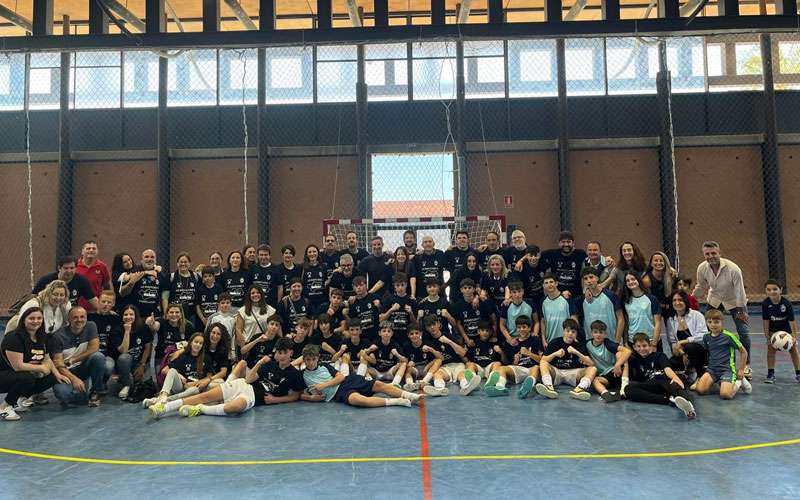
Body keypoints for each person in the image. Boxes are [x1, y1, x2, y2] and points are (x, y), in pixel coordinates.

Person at [148, 337, 303, 418]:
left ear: (291, 353)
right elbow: (249, 379)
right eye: (279, 353)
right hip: (244, 385)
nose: (281, 356)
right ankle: (164, 407)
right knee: (205, 395)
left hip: (253, 397)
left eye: (284, 353)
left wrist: (276, 400)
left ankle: (202, 410)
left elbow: (296, 396)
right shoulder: (270, 364)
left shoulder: (294, 373)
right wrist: (260, 363)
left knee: (234, 408)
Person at [692, 241, 752, 379]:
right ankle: (709, 363)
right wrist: (691, 297)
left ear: (719, 253)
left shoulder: (733, 269)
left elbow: (740, 292)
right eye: (707, 254)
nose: (711, 256)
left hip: (734, 301)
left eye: (714, 253)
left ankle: (746, 365)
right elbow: (701, 286)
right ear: (704, 255)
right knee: (707, 332)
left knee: (744, 332)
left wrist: (741, 312)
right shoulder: (702, 268)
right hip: (715, 299)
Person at [300, 344, 422, 408]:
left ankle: (410, 395)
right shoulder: (302, 375)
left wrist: (322, 385)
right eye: (308, 360)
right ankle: (397, 401)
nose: (310, 362)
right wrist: (311, 398)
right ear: (304, 360)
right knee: (357, 400)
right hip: (338, 394)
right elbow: (298, 394)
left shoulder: (325, 366)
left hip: (347, 381)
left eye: (313, 359)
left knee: (379, 384)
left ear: (317, 358)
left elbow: (341, 377)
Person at [0, 308, 63, 421]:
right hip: (4, 376)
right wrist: (41, 368)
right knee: (27, 377)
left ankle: (18, 400)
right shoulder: (14, 337)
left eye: (39, 318)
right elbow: (18, 366)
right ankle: (4, 407)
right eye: (31, 318)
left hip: (19, 375)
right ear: (23, 320)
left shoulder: (42, 338)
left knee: (51, 377)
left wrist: (57, 375)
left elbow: (47, 358)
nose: (36, 321)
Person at [624, 332, 696, 419]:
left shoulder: (659, 355)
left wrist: (675, 378)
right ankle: (668, 400)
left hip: (665, 380)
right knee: (628, 389)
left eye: (644, 345)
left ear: (650, 345)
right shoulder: (636, 362)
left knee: (674, 384)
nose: (642, 349)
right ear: (634, 347)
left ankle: (688, 407)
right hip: (652, 385)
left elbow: (667, 369)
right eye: (638, 346)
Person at [49, 307, 107, 408]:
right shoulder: (57, 337)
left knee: (98, 357)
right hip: (66, 373)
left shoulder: (91, 326)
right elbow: (58, 364)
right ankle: (82, 396)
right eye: (75, 317)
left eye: (82, 317)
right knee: (62, 393)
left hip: (83, 367)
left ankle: (96, 392)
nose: (79, 320)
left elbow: (94, 348)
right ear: (68, 320)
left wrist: (73, 360)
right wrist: (74, 379)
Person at [142, 332, 212, 409]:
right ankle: (163, 395)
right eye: (196, 342)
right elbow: (164, 370)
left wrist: (200, 382)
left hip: (193, 388)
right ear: (191, 343)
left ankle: (158, 401)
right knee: (172, 370)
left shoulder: (206, 358)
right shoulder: (183, 356)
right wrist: (180, 376)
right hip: (181, 386)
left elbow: (209, 376)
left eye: (200, 343)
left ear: (202, 346)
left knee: (195, 391)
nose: (198, 344)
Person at [694, 309, 752, 399]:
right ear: (706, 323)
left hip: (726, 370)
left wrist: (741, 369)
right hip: (712, 370)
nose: (713, 325)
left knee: (725, 395)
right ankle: (718, 382)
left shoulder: (728, 336)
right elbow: (708, 352)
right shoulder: (706, 337)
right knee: (700, 390)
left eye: (716, 322)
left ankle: (739, 381)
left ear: (722, 322)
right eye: (710, 322)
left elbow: (743, 352)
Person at [534, 318, 597, 401]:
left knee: (593, 369)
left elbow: (591, 363)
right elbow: (543, 359)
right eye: (568, 331)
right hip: (557, 372)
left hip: (573, 373)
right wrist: (555, 354)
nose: (570, 334)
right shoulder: (555, 342)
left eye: (573, 332)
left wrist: (577, 353)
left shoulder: (578, 345)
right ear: (563, 331)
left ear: (576, 334)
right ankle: (549, 387)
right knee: (543, 362)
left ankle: (579, 389)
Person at [485, 315, 543, 398]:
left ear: (530, 328)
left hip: (532, 369)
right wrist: (515, 361)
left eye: (524, 327)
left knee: (536, 367)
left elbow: (542, 360)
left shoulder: (535, 340)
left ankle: (526, 388)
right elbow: (512, 364)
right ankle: (500, 387)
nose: (521, 329)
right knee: (501, 368)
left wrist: (529, 354)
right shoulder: (514, 343)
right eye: (519, 327)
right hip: (520, 369)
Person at [419, 314, 471, 397]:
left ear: (438, 324)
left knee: (461, 375)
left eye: (434, 324)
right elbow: (439, 359)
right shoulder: (428, 341)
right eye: (429, 326)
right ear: (426, 328)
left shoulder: (448, 335)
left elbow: (463, 353)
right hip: (444, 367)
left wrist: (449, 341)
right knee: (437, 375)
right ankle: (440, 389)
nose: (432, 327)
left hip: (457, 364)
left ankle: (466, 387)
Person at [663, 290, 708, 381]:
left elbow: (704, 336)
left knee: (690, 347)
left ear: (685, 302)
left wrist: (685, 341)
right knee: (668, 364)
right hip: (683, 352)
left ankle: (700, 375)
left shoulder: (697, 315)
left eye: (680, 300)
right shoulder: (670, 320)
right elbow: (672, 341)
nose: (677, 302)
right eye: (674, 300)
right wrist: (682, 353)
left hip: (700, 351)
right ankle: (687, 372)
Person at [761, 279, 800, 383]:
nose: (771, 292)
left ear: (780, 290)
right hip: (773, 331)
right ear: (765, 291)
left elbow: (792, 321)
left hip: (786, 331)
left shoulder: (786, 304)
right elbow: (766, 321)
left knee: (794, 350)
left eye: (775, 289)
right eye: (768, 289)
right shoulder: (765, 304)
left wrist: (794, 337)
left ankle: (798, 373)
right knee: (771, 350)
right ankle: (770, 374)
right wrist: (767, 337)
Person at [111, 305, 153, 399]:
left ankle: (128, 379)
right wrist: (127, 331)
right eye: (125, 314)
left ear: (136, 316)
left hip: (139, 362)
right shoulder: (117, 329)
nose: (128, 317)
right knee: (124, 357)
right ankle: (127, 385)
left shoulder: (143, 327)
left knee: (145, 382)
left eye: (131, 314)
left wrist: (142, 365)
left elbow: (147, 347)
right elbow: (124, 351)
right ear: (122, 316)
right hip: (123, 363)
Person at [585, 320, 631, 402]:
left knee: (620, 354)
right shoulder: (587, 344)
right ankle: (606, 394)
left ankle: (624, 389)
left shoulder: (607, 343)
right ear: (591, 333)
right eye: (595, 332)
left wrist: (617, 364)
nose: (598, 335)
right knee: (594, 380)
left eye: (601, 332)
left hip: (616, 372)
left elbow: (628, 351)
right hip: (605, 377)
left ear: (605, 334)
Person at [576, 268, 625, 345]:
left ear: (597, 278)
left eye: (591, 277)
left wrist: (617, 340)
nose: (589, 280)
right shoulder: (581, 299)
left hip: (612, 340)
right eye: (585, 279)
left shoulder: (611, 296)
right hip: (592, 344)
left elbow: (621, 319)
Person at [87, 290, 123, 393]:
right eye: (103, 301)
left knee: (108, 366)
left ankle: (101, 384)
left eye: (109, 302)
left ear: (113, 304)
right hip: (89, 354)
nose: (105, 305)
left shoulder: (116, 319)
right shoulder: (88, 317)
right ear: (98, 301)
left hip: (107, 355)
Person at [33, 255, 99, 310]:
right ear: (59, 268)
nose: (69, 271)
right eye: (66, 268)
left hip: (70, 314)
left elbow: (93, 299)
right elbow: (33, 298)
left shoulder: (82, 281)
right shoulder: (46, 280)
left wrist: (104, 310)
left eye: (72, 268)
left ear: (76, 268)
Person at [120, 249, 168, 318]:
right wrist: (131, 283)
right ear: (141, 260)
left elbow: (164, 296)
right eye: (146, 257)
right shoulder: (133, 272)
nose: (149, 259)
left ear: (155, 261)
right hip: (136, 316)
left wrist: (164, 313)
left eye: (152, 257)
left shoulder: (160, 275)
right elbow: (122, 293)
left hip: (154, 316)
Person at [450, 278, 496, 347]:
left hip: (483, 338)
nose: (467, 290)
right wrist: (466, 339)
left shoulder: (482, 302)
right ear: (461, 290)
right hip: (469, 338)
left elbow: (493, 318)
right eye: (465, 288)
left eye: (469, 288)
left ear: (474, 289)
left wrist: (494, 335)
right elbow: (458, 324)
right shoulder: (458, 305)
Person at [235, 285, 277, 361]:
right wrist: (243, 346)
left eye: (258, 292)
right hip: (249, 345)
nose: (255, 295)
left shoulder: (270, 310)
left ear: (261, 294)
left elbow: (276, 327)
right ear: (249, 295)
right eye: (252, 293)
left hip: (264, 345)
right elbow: (238, 329)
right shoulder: (242, 310)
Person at [540, 231, 588, 298]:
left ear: (573, 243)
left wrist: (607, 259)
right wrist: (521, 261)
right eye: (563, 242)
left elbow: (592, 258)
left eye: (568, 242)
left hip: (577, 294)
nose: (566, 244)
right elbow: (536, 255)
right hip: (558, 294)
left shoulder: (580, 254)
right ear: (559, 243)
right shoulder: (552, 254)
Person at [621, 272, 662, 348]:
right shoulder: (625, 301)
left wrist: (654, 344)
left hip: (651, 341)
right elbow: (626, 323)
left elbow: (658, 322)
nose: (630, 282)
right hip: (633, 342)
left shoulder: (652, 299)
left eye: (633, 279)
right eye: (628, 280)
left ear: (639, 280)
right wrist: (625, 342)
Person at [363, 321, 408, 387]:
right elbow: (362, 354)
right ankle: (370, 383)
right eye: (384, 331)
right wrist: (369, 349)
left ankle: (395, 383)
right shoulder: (375, 343)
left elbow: (405, 361)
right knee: (364, 367)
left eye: (389, 331)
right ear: (379, 333)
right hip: (377, 372)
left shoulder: (395, 344)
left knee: (403, 364)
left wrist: (397, 354)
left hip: (390, 372)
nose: (386, 333)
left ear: (392, 333)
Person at [539, 273, 578, 347]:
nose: (549, 284)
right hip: (550, 341)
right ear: (543, 286)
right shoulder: (542, 301)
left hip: (567, 340)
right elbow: (543, 321)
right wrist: (543, 340)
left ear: (556, 283)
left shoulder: (566, 298)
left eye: (551, 282)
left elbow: (574, 318)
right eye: (546, 283)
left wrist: (574, 337)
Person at [464, 320, 503, 392]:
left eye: (487, 330)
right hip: (478, 370)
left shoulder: (495, 343)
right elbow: (467, 358)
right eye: (482, 330)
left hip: (489, 369)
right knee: (469, 364)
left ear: (491, 332)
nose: (485, 332)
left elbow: (504, 361)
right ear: (478, 331)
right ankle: (472, 381)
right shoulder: (473, 343)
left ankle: (490, 381)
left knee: (498, 363)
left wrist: (501, 352)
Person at [402, 324, 443, 391]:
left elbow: (441, 358)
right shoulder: (406, 346)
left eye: (416, 333)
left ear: (421, 333)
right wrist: (408, 364)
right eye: (411, 334)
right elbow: (403, 362)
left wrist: (431, 350)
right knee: (407, 369)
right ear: (408, 335)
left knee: (438, 361)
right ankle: (410, 384)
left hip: (427, 370)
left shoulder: (427, 343)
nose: (414, 335)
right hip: (415, 370)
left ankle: (425, 381)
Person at [75, 240, 112, 311]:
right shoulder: (75, 266)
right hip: (77, 308)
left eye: (94, 248)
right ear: (82, 251)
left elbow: (107, 286)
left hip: (96, 307)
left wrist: (107, 302)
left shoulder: (102, 266)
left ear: (97, 251)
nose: (91, 250)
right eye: (88, 248)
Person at [498, 280, 536, 347]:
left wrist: (535, 333)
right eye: (514, 292)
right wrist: (509, 339)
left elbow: (537, 321)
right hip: (513, 338)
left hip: (528, 337)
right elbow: (502, 325)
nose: (517, 295)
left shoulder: (530, 303)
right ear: (510, 293)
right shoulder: (506, 306)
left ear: (523, 291)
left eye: (519, 291)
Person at [379, 273, 417, 341]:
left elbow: (415, 324)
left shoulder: (411, 300)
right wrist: (391, 310)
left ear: (406, 285)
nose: (400, 288)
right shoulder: (388, 299)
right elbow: (381, 319)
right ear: (394, 286)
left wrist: (411, 313)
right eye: (398, 285)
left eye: (402, 285)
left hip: (406, 336)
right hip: (391, 336)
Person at [165, 252, 199, 326]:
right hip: (175, 314)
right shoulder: (171, 277)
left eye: (185, 262)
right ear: (177, 263)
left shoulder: (195, 277)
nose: (183, 264)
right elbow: (165, 297)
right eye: (181, 262)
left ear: (189, 263)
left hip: (191, 314)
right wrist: (165, 312)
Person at [344, 276, 382, 342]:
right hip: (361, 337)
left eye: (361, 285)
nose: (359, 288)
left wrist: (379, 306)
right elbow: (352, 321)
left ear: (366, 285)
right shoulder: (352, 302)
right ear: (353, 288)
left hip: (376, 335)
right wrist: (346, 313)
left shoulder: (375, 297)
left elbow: (383, 313)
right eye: (356, 286)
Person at [642, 252, 677, 318]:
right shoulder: (646, 280)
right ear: (651, 264)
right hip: (654, 310)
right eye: (656, 261)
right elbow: (648, 301)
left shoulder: (670, 275)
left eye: (661, 261)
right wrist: (665, 306)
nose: (658, 263)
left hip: (670, 309)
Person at [301, 244, 327, 313]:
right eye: (309, 252)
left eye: (314, 251)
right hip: (308, 302)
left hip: (321, 301)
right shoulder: (302, 267)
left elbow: (327, 282)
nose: (312, 254)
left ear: (318, 253)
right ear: (306, 254)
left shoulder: (323, 267)